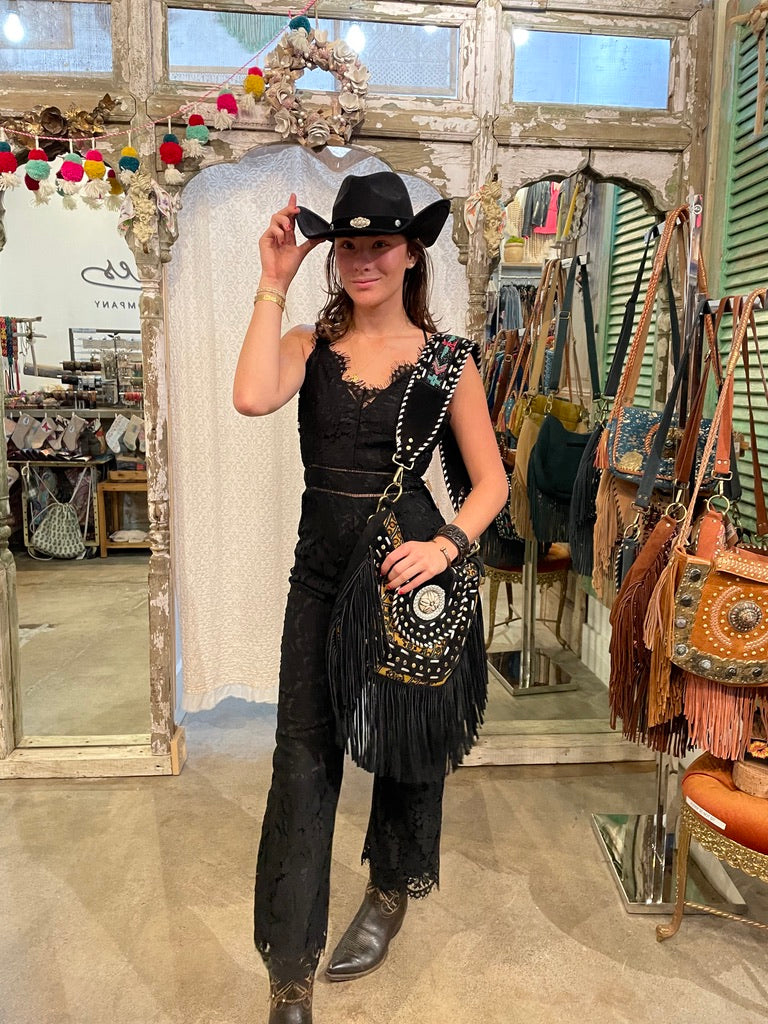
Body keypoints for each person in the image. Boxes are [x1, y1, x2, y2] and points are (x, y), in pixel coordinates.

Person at [234, 170, 509, 1024]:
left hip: (405, 572)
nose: (362, 260)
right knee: (302, 758)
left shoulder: (448, 362)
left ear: (412, 252)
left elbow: (492, 484)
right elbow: (251, 396)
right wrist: (272, 280)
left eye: (379, 244)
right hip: (320, 578)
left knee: (404, 744)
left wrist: (445, 546)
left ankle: (389, 891)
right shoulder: (308, 344)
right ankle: (289, 973)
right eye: (348, 245)